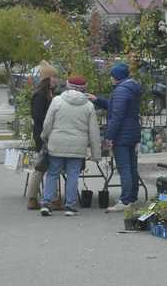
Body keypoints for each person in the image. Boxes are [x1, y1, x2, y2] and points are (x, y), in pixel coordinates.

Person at [40, 75, 101, 217]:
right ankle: (70, 206)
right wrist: (96, 153)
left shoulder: (57, 101)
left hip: (57, 143)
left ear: (68, 86)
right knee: (73, 175)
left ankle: (47, 203)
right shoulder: (88, 105)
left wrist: (44, 136)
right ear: (83, 89)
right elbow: (93, 131)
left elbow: (48, 122)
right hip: (77, 146)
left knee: (53, 173)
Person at [98, 62, 142, 211]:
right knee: (132, 167)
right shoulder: (129, 88)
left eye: (112, 76)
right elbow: (115, 107)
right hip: (132, 133)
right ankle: (132, 198)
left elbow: (117, 115)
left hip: (122, 135)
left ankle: (124, 201)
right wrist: (97, 100)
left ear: (116, 77)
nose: (110, 78)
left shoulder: (121, 91)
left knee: (124, 168)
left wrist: (109, 137)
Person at [25, 63, 60, 210]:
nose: (56, 80)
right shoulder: (40, 95)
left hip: (48, 134)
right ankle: (34, 198)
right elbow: (38, 116)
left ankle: (50, 198)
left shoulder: (50, 94)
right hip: (42, 135)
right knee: (41, 166)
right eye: (54, 77)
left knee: (50, 166)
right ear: (47, 78)